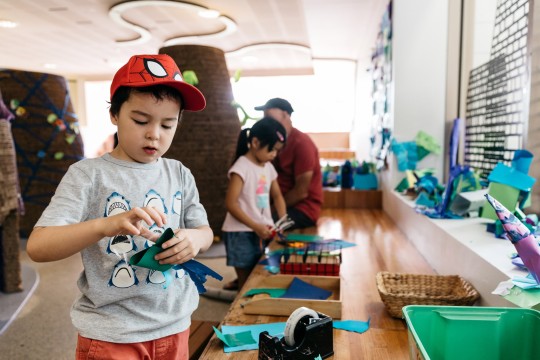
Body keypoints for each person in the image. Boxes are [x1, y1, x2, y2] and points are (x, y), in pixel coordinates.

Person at [26, 54, 214, 360]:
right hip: (111, 334)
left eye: (168, 124)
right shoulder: (88, 175)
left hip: (175, 324)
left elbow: (204, 231)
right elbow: (38, 246)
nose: (155, 133)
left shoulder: (179, 173)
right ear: (114, 114)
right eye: (140, 121)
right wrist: (106, 225)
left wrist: (194, 240)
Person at [221, 117, 287, 291]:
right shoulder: (241, 167)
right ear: (255, 142)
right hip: (240, 233)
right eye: (272, 149)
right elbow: (231, 204)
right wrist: (256, 226)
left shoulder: (268, 167)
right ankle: (239, 316)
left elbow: (278, 196)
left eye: (277, 151)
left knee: (260, 273)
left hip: (261, 231)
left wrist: (283, 220)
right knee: (246, 281)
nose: (274, 154)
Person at [254, 98, 323, 229]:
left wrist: (272, 209)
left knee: (262, 226)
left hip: (302, 209)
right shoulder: (272, 142)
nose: (266, 121)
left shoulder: (302, 143)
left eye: (269, 116)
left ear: (285, 115)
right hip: (277, 204)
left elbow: (301, 192)